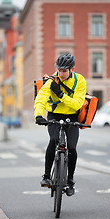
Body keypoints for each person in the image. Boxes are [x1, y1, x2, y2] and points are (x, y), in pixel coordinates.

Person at [34, 53, 86, 196]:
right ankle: (46, 176)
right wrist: (38, 115)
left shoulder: (80, 81)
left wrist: (61, 95)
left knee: (72, 148)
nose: (61, 73)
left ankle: (70, 181)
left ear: (72, 69)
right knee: (53, 140)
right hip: (54, 115)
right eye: (59, 70)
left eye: (64, 71)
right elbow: (41, 99)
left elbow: (76, 105)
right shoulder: (52, 80)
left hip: (72, 116)